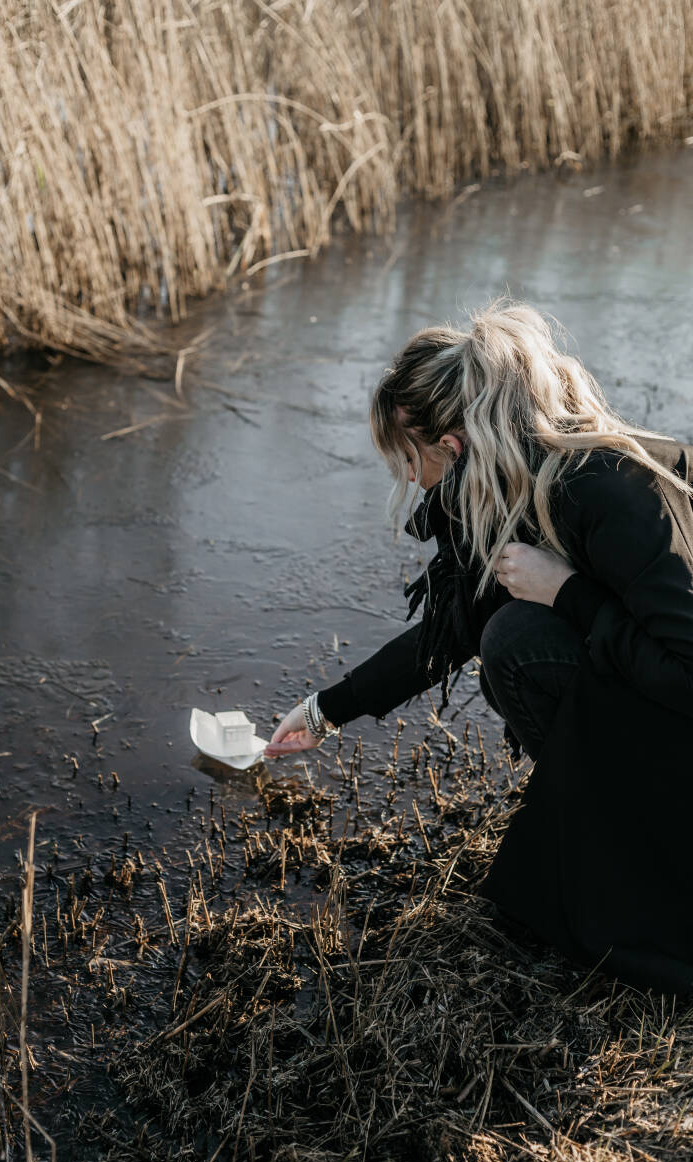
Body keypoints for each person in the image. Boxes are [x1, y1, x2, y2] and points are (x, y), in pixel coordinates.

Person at [264, 296, 693, 996]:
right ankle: (600, 835)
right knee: (504, 637)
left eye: (408, 459)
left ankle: (632, 857)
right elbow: (451, 634)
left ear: (451, 447)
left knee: (517, 644)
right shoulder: (516, 486)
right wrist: (322, 713)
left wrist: (568, 595)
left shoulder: (607, 489)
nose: (409, 480)